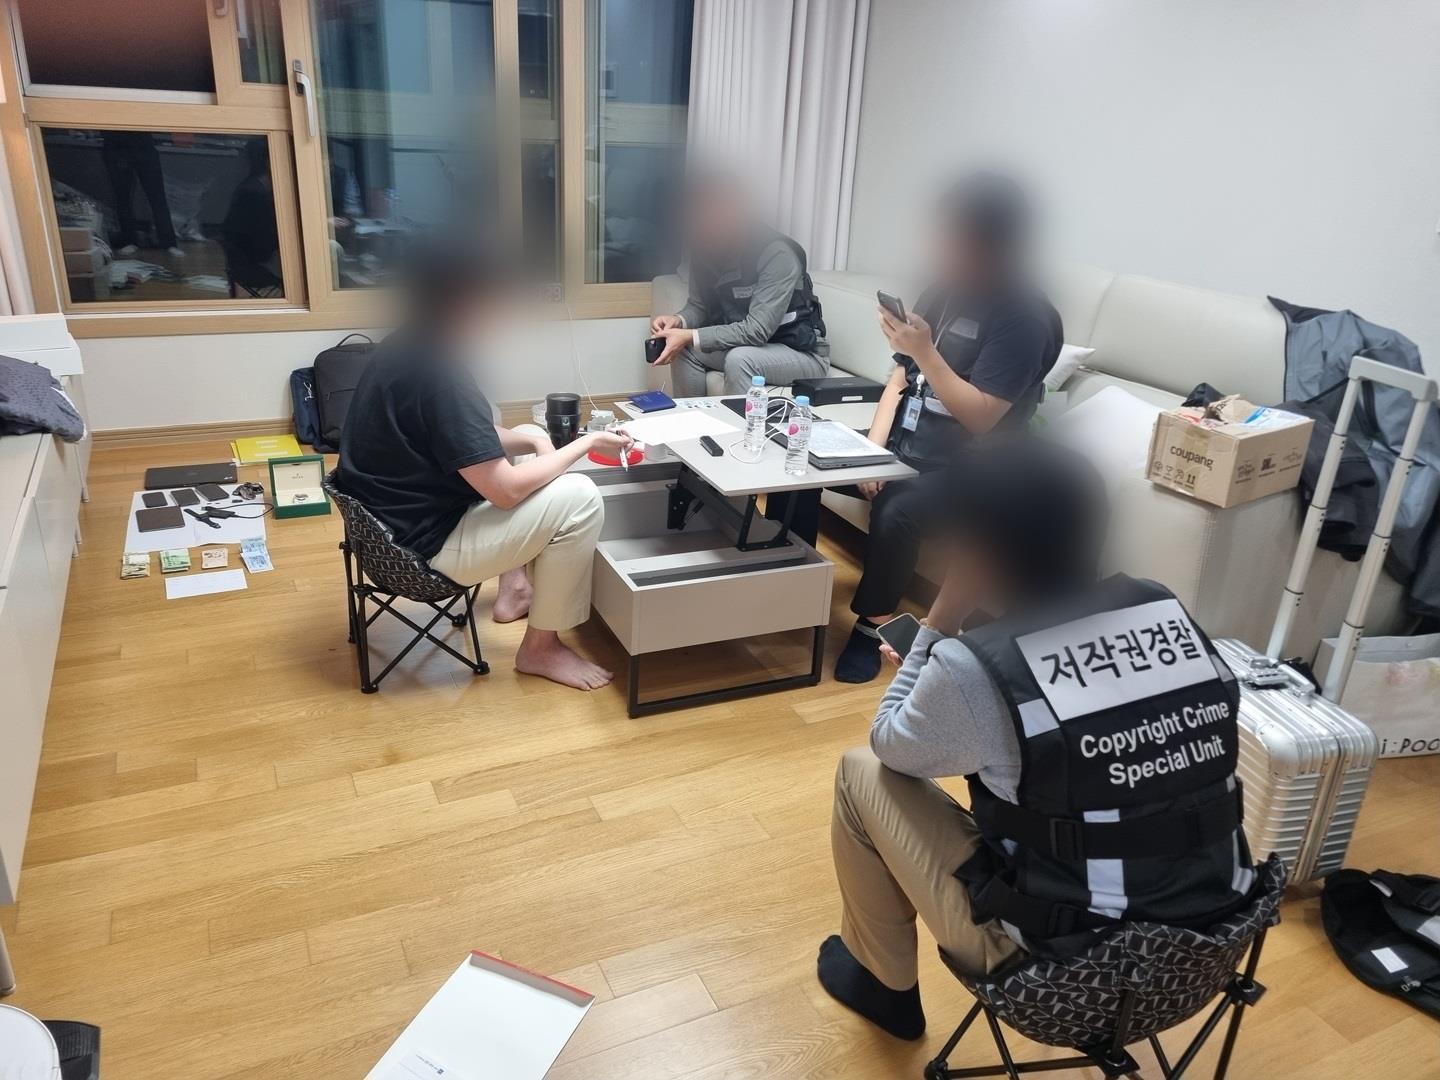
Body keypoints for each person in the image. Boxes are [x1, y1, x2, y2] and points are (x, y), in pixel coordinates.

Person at [818, 440, 1257, 1041]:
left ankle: (882, 986)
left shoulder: (979, 667)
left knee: (860, 771)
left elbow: (892, 741)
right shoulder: (1161, 606)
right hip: (1212, 952)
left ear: (980, 554)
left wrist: (939, 623)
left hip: (1070, 986)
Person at [337, 242, 633, 691]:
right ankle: (540, 649)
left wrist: (532, 439)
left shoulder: (405, 344)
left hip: (383, 530)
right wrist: (586, 443)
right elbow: (505, 491)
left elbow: (459, 434)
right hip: (419, 553)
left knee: (525, 436)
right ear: (467, 301)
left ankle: (515, 590)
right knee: (581, 499)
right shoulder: (441, 374)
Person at [825, 173, 1065, 684]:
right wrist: (872, 450)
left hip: (972, 468)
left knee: (898, 507)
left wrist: (926, 351)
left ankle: (871, 624)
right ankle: (791, 582)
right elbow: (899, 377)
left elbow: (981, 414)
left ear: (991, 244)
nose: (938, 247)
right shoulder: (942, 291)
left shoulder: (1025, 316)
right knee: (806, 464)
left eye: (950, 237)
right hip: (905, 444)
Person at [649, 173, 829, 397]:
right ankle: (691, 417)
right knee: (683, 348)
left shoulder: (776, 254)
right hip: (749, 346)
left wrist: (690, 335)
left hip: (798, 351)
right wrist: (679, 321)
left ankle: (737, 421)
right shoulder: (704, 249)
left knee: (740, 359)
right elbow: (699, 306)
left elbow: (756, 330)